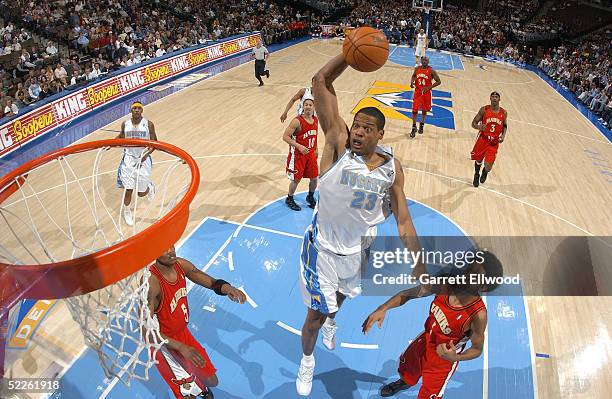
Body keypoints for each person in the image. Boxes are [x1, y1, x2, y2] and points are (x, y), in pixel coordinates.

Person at [295, 53, 423, 396]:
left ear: (380, 134)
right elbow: (320, 82)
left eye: (368, 128)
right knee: (314, 316)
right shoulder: (337, 142)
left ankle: (333, 317)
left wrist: (418, 260)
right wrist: (350, 54)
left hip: (358, 250)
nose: (359, 132)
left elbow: (404, 218)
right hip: (321, 248)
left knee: (340, 299)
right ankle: (307, 361)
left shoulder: (392, 168)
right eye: (357, 125)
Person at [362, 252, 503, 398]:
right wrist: (383, 308)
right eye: (468, 269)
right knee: (408, 370)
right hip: (426, 340)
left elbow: (477, 349)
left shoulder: (478, 315)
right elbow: (410, 293)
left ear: (484, 286)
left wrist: (455, 358)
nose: (466, 274)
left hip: (443, 360)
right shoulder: (445, 283)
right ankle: (405, 382)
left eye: (474, 275)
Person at [147, 246, 247, 398]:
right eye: (163, 248)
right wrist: (180, 347)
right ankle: (194, 388)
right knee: (188, 396)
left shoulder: (180, 265)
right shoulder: (152, 283)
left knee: (212, 380)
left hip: (183, 335)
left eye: (171, 245)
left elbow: (212, 282)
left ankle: (200, 387)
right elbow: (147, 332)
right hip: (164, 345)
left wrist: (227, 288)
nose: (170, 251)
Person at [116, 101, 157, 226]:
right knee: (128, 190)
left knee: (140, 193)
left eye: (139, 108)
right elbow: (121, 136)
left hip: (143, 159)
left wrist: (144, 156)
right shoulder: (125, 124)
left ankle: (149, 187)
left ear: (142, 111)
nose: (137, 110)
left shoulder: (148, 124)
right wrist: (109, 143)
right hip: (128, 160)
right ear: (131, 110)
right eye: (134, 108)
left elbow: (154, 143)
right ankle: (127, 211)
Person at [283, 96, 318, 211]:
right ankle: (289, 198)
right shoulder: (297, 121)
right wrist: (299, 146)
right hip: (298, 156)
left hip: (311, 154)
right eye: (306, 104)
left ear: (313, 107)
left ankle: (310, 196)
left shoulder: (315, 120)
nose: (308, 106)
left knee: (314, 178)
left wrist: (316, 149)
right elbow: (285, 137)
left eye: (310, 105)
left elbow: (314, 136)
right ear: (303, 106)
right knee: (296, 179)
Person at [470, 91, 508, 187]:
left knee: (488, 166)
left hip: (494, 142)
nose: (494, 98)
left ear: (499, 99)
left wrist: (503, 136)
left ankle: (485, 171)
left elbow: (505, 126)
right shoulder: (484, 110)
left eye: (496, 96)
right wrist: (479, 127)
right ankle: (476, 174)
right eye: (493, 96)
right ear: (490, 98)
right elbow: (473, 123)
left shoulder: (504, 112)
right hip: (483, 139)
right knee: (478, 160)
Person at [410, 56, 441, 137]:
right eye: (423, 60)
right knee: (414, 110)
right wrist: (411, 82)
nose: (424, 61)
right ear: (421, 60)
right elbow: (413, 76)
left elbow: (438, 81)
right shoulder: (417, 69)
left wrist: (428, 87)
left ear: (428, 61)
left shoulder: (432, 71)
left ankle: (422, 124)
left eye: (426, 60)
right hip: (417, 92)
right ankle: (413, 126)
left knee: (424, 110)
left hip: (426, 94)